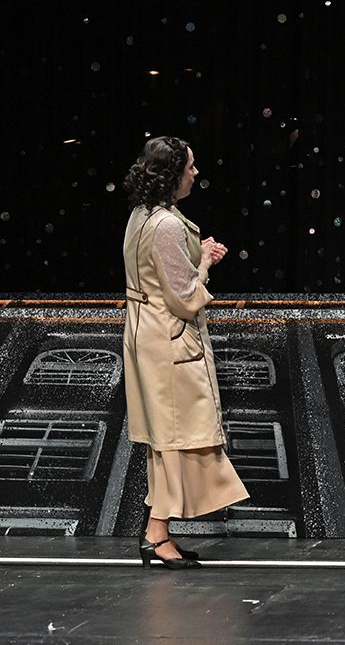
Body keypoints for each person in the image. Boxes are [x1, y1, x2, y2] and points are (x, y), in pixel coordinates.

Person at [121, 136, 247, 570]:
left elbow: (160, 272)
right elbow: (185, 297)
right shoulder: (166, 225)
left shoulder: (143, 214)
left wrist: (198, 252)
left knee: (166, 440)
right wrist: (205, 264)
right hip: (167, 338)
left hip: (147, 332)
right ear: (172, 174)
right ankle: (156, 534)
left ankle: (157, 532)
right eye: (190, 167)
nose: (195, 173)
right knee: (178, 438)